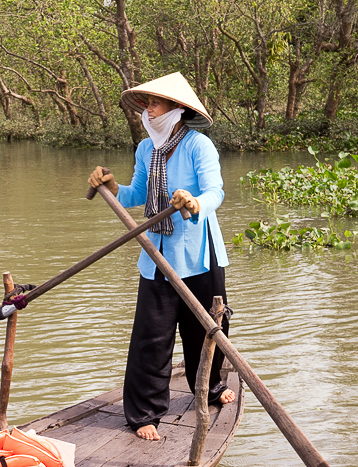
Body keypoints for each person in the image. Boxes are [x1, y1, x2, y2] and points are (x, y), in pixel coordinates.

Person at [88, 72, 234, 441]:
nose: (147, 110)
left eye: (154, 103)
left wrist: (195, 201)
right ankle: (145, 413)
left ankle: (214, 389)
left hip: (199, 252)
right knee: (151, 336)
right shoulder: (145, 150)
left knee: (208, 328)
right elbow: (136, 194)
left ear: (176, 109)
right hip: (157, 254)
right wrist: (111, 187)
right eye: (146, 104)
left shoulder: (198, 145)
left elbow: (215, 191)